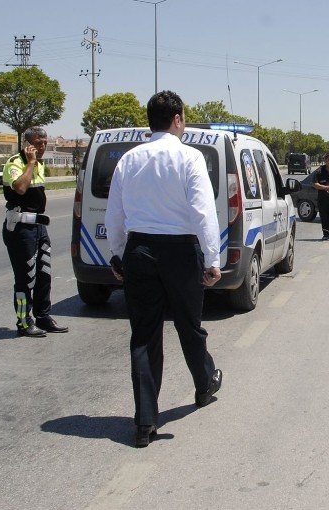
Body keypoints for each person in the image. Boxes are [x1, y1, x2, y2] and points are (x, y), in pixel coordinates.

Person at [105, 91, 223, 448]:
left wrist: (118, 254)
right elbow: (204, 211)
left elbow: (115, 214)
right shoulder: (190, 157)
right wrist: (212, 258)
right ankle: (204, 386)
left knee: (143, 335)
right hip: (180, 253)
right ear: (177, 119)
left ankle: (144, 423)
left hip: (140, 250)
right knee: (189, 325)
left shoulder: (129, 159)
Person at [1, 126, 67, 338]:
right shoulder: (16, 163)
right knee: (25, 278)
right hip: (21, 228)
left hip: (39, 227)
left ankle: (43, 317)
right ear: (27, 145)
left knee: (44, 275)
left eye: (45, 142)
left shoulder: (38, 165)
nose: (43, 146)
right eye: (39, 142)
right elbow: (20, 188)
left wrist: (34, 163)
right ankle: (23, 321)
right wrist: (30, 163)